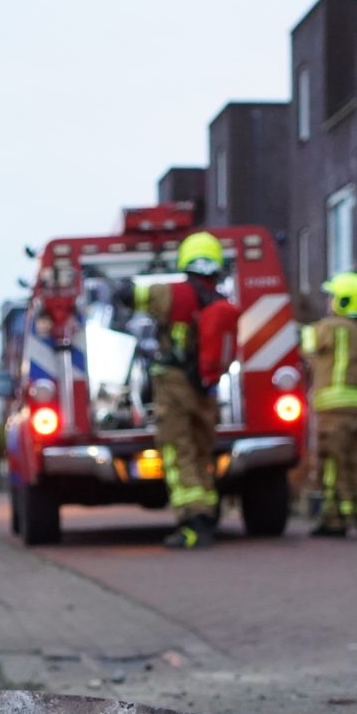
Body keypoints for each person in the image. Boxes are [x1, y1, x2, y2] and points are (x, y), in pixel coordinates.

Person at [114, 230, 237, 550]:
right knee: (201, 451)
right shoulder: (220, 299)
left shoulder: (173, 293)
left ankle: (192, 523)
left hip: (174, 383)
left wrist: (123, 281)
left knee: (177, 450)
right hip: (207, 387)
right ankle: (208, 512)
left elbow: (129, 296)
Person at [300, 271, 357, 538]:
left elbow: (307, 343)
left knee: (332, 464)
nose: (329, 303)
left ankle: (334, 520)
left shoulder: (332, 327)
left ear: (345, 301)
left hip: (332, 409)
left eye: (333, 297)